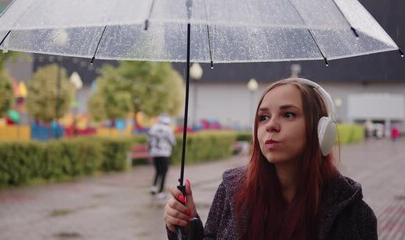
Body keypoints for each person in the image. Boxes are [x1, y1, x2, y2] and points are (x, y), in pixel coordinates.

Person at [164, 78, 377, 239]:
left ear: (322, 131)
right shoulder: (232, 190)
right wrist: (188, 224)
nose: (270, 125)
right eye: (263, 117)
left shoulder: (353, 214)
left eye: (288, 114)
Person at [148, 114, 176, 200]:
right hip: (164, 153)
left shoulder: (153, 128)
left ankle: (154, 187)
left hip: (155, 153)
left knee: (157, 170)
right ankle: (160, 191)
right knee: (164, 172)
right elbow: (173, 141)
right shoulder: (168, 130)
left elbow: (149, 141)